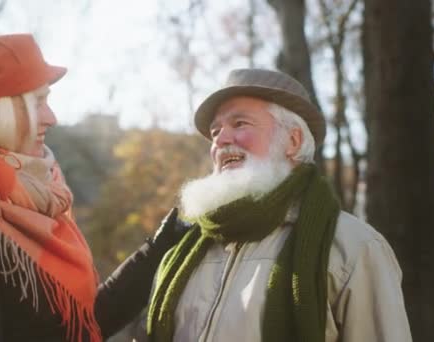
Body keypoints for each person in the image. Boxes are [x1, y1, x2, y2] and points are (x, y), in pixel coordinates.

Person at [0, 33, 184, 342]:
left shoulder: (31, 198)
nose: (51, 117)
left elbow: (82, 325)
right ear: (0, 111)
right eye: (38, 102)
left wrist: (159, 248)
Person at [144, 68, 412, 342]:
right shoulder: (181, 253)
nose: (221, 140)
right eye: (215, 131)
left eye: (240, 124)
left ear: (293, 141)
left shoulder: (355, 248)